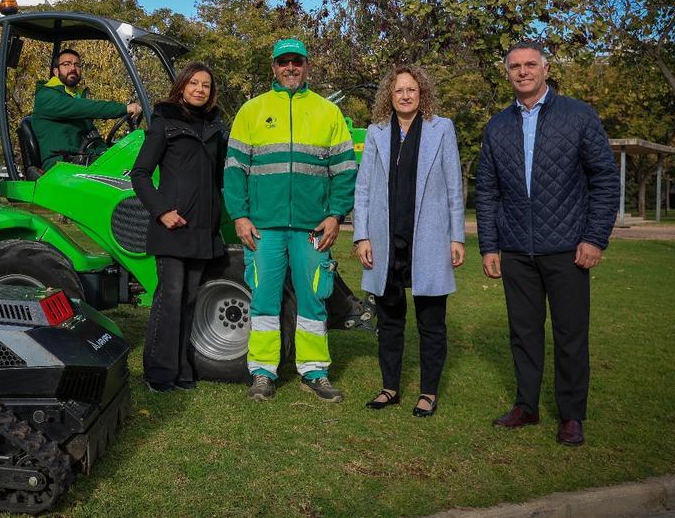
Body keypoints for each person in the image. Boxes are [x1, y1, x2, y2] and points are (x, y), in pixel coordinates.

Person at [476, 40, 619, 446]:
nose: (523, 72)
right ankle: (527, 405)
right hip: (518, 250)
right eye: (515, 66)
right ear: (507, 73)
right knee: (523, 333)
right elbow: (487, 192)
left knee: (570, 334)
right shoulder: (497, 126)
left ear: (545, 68)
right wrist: (490, 246)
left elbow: (605, 180)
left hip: (568, 248)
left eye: (530, 65)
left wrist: (594, 238)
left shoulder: (578, 116)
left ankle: (571, 416)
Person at [223, 38, 358, 403]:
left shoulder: (327, 113)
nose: (290, 68)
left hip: (314, 227)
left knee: (314, 297)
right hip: (263, 226)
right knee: (264, 299)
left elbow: (345, 171)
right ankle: (263, 373)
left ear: (307, 66)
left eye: (297, 61)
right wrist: (239, 216)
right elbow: (234, 171)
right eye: (284, 62)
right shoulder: (251, 111)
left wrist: (335, 215)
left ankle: (314, 370)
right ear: (273, 67)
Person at [351, 66, 464, 417]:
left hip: (429, 239)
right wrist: (362, 235)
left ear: (422, 93)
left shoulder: (441, 128)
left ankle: (428, 392)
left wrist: (456, 237)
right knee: (390, 321)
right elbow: (365, 188)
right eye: (398, 90)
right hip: (386, 242)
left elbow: (453, 187)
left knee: (431, 321)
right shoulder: (376, 132)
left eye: (411, 89)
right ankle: (390, 388)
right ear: (390, 95)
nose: (405, 95)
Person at [130, 62, 226, 393]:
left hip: (202, 228)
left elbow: (217, 179)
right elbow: (139, 174)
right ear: (182, 86)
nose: (200, 89)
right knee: (169, 297)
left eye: (206, 86)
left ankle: (182, 369)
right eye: (194, 83)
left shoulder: (215, 128)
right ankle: (158, 371)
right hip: (172, 227)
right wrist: (161, 212)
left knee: (188, 299)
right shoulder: (164, 122)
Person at [31, 48, 142, 169]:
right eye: (66, 64)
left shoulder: (76, 96)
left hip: (82, 159)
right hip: (60, 165)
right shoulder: (47, 96)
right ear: (56, 71)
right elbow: (89, 107)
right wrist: (123, 109)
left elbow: (93, 137)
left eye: (77, 65)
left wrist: (108, 151)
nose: (73, 68)